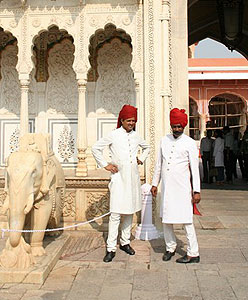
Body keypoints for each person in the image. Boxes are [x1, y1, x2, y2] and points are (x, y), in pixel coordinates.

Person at [92, 104, 150, 263]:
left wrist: (141, 159)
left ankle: (125, 242)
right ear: (122, 120)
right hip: (118, 179)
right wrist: (105, 165)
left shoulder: (137, 136)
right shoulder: (114, 135)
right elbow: (96, 148)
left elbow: (147, 147)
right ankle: (110, 247)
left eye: (133, 121)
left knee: (129, 212)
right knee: (116, 213)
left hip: (132, 179)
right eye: (129, 120)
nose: (131, 123)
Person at [151, 108, 201, 264]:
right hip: (167, 188)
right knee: (167, 219)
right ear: (171, 125)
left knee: (187, 221)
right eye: (174, 126)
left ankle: (194, 252)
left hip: (183, 188)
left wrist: (197, 191)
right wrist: (154, 183)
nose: (177, 129)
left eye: (180, 126)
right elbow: (159, 164)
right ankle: (170, 247)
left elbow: (195, 169)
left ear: (184, 126)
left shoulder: (190, 143)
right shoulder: (164, 140)